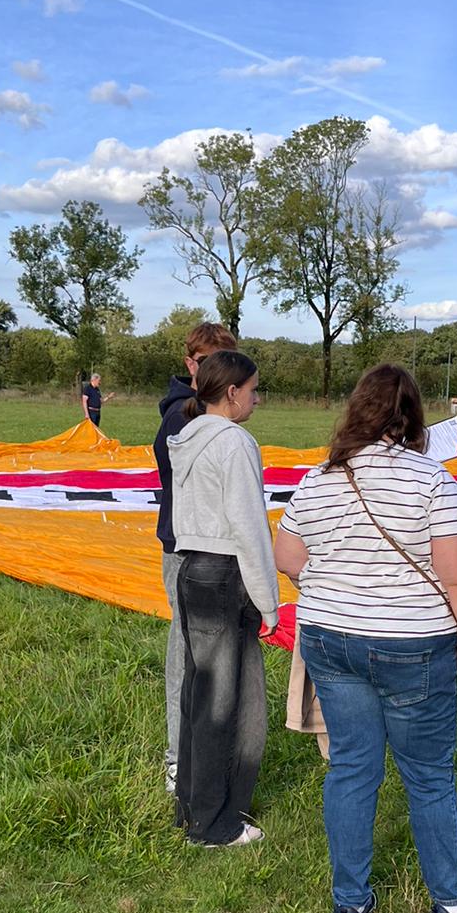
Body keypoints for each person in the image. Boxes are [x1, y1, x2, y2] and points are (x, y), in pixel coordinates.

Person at [274, 364, 457, 913]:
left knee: (352, 767)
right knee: (427, 775)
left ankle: (348, 903)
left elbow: (286, 555)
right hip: (411, 644)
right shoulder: (431, 481)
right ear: (414, 417)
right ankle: (451, 905)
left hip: (329, 637)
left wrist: (339, 588)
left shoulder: (320, 477)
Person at [168, 350, 278, 847]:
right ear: (231, 393)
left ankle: (191, 804)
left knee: (199, 692)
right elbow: (250, 527)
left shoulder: (186, 437)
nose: (257, 398)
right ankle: (214, 824)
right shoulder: (234, 442)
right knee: (227, 703)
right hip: (225, 572)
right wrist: (269, 599)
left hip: (191, 569)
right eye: (253, 390)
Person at [153, 322, 238, 792]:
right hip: (187, 549)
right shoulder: (180, 419)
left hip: (213, 547)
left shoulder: (208, 414)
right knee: (187, 651)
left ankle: (209, 747)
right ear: (191, 365)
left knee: (213, 652)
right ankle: (178, 758)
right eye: (208, 363)